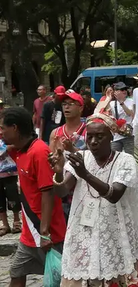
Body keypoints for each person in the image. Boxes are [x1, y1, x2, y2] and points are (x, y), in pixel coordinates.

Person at [49, 113, 138, 287]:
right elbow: (62, 191)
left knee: (117, 271)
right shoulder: (81, 158)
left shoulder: (125, 160)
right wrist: (58, 171)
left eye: (99, 136)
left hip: (116, 232)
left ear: (111, 136)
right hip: (84, 232)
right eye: (90, 136)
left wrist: (86, 175)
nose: (93, 141)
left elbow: (114, 195)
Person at [2, 107, 67, 286]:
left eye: (2, 128)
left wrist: (45, 232)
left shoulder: (39, 152)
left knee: (61, 277)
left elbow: (48, 193)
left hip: (46, 231)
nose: (0, 132)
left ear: (14, 128)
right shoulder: (20, 150)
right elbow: (6, 149)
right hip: (29, 234)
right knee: (16, 272)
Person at [49, 90, 87, 155]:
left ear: (81, 108)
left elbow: (93, 159)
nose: (66, 107)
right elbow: (50, 159)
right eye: (64, 104)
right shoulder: (55, 133)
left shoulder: (88, 131)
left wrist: (72, 149)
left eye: (70, 104)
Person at [0, 125, 21, 236]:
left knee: (13, 195)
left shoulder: (5, 131)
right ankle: (4, 224)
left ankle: (16, 221)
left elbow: (15, 143)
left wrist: (9, 147)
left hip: (9, 171)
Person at [103, 82, 135, 154]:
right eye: (122, 89)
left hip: (128, 133)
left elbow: (129, 113)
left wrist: (121, 102)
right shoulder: (112, 103)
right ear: (116, 92)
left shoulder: (130, 101)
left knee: (129, 156)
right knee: (114, 156)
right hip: (116, 134)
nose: (124, 91)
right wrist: (108, 97)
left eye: (125, 89)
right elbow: (104, 112)